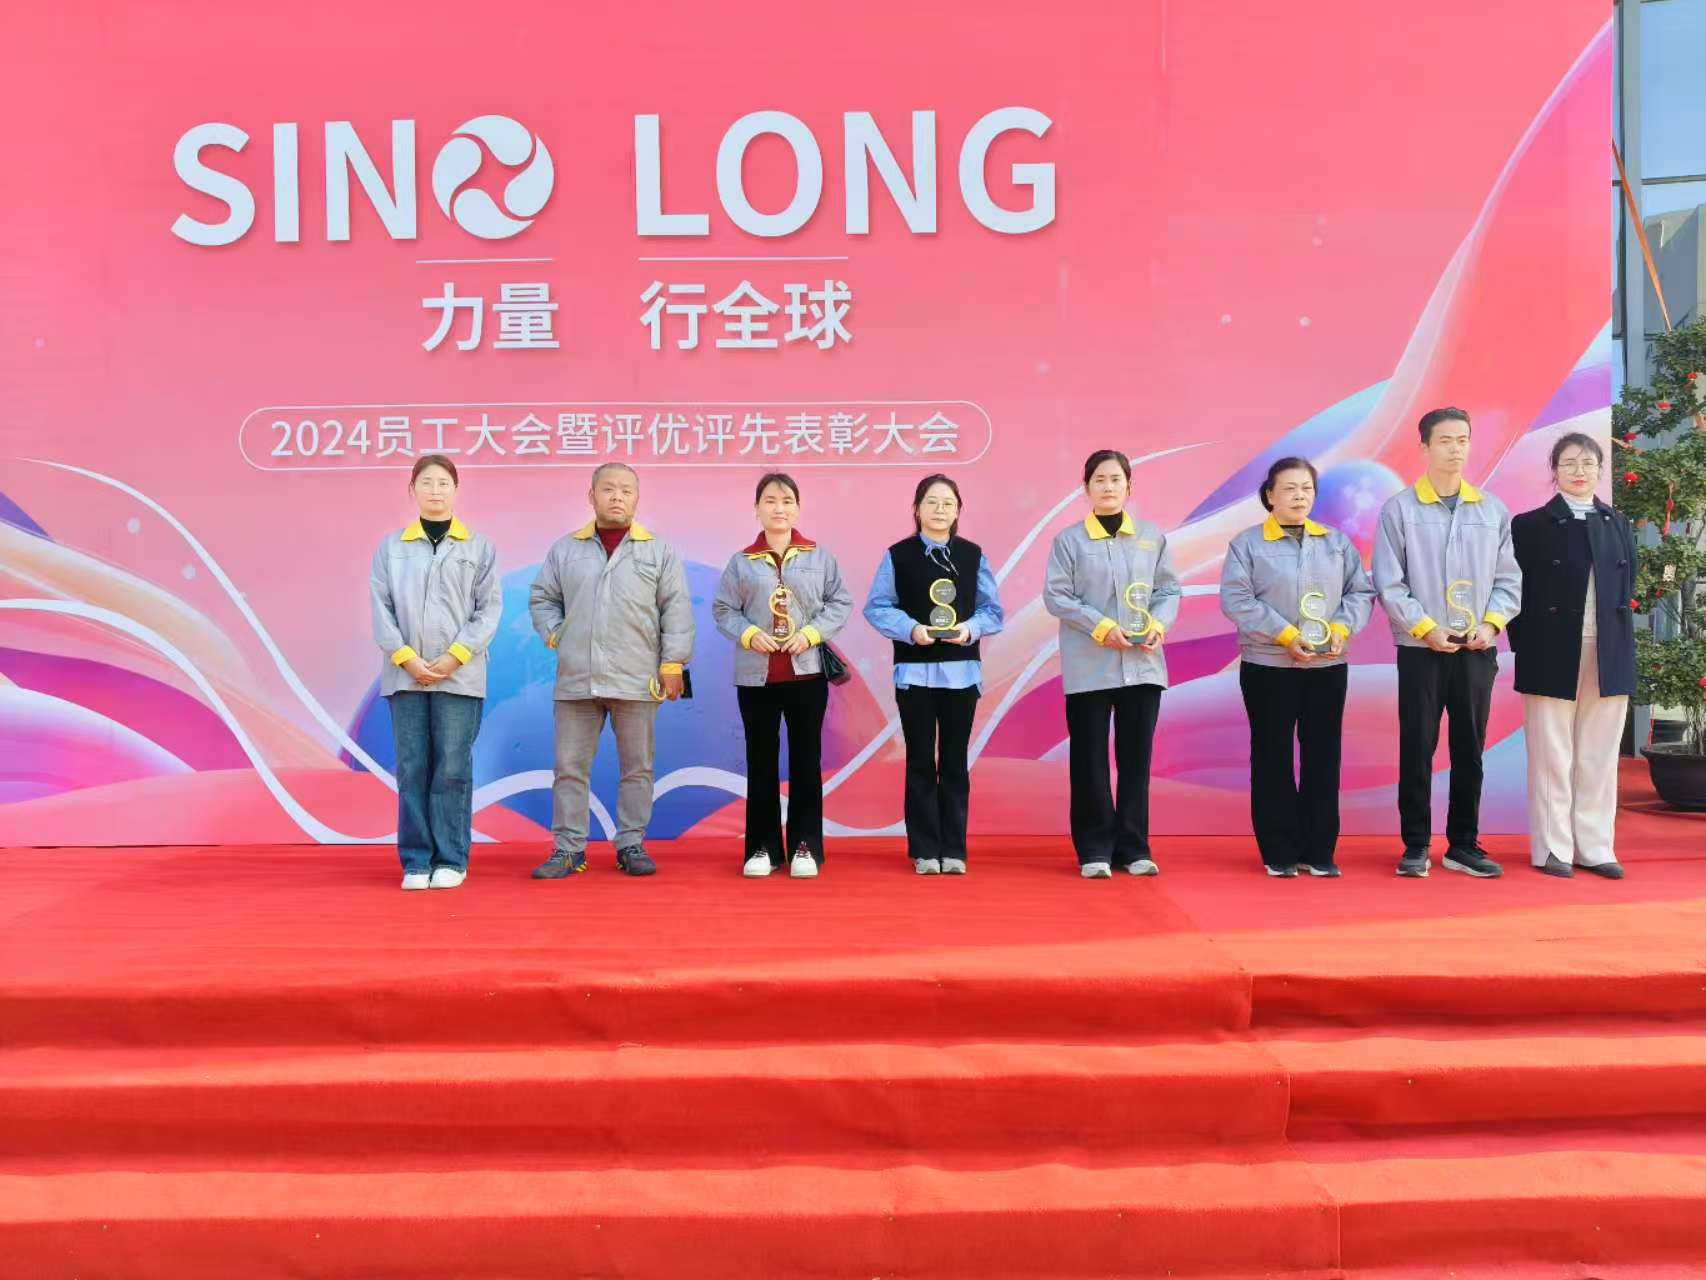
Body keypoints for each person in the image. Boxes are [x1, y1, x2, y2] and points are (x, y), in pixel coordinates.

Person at [1372, 407, 1522, 878]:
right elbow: (1389, 581)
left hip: (1477, 650)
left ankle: (1463, 845)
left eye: (1462, 440)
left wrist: (1491, 625)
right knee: (1418, 745)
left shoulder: (1492, 510)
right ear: (1423, 447)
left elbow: (1509, 580)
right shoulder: (1399, 509)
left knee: (1469, 748)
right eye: (1445, 440)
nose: (1455, 449)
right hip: (1422, 649)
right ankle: (1416, 844)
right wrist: (1424, 628)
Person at [528, 463, 694, 879]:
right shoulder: (566, 549)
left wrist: (673, 662)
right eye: (608, 489)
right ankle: (568, 849)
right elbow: (542, 598)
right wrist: (558, 635)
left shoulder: (658, 551)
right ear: (592, 496)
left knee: (637, 768)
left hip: (637, 679)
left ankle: (631, 844)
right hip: (577, 680)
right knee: (569, 768)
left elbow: (676, 609)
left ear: (637, 499)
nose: (617, 496)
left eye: (626, 490)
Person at [1220, 457, 1376, 877]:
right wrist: (1286, 635)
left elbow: (1361, 592)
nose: (1299, 496)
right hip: (1269, 665)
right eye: (1289, 488)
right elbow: (1237, 599)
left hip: (1327, 666)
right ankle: (1279, 851)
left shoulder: (1335, 543)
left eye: (1306, 488)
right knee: (1272, 756)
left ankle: (1319, 850)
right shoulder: (1247, 544)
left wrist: (1341, 627)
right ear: (1269, 496)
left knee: (1323, 756)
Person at [1043, 449, 1181, 878]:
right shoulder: (1069, 541)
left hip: (1143, 663)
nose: (1108, 487)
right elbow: (1057, 596)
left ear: (1129, 486)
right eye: (1099, 480)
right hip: (1090, 666)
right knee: (1090, 760)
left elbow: (1168, 590)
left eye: (1116, 479)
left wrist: (1158, 624)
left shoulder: (1151, 537)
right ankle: (1094, 849)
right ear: (1085, 488)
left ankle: (1134, 847)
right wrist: (1101, 627)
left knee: (1136, 760)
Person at [369, 454, 502, 891]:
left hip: (459, 676)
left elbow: (488, 611)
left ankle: (451, 858)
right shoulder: (391, 548)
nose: (435, 490)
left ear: (455, 490)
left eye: (443, 483)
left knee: (451, 768)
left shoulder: (479, 547)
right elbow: (381, 609)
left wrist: (455, 656)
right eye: (426, 482)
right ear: (413, 490)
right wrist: (406, 658)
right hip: (405, 675)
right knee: (412, 768)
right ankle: (415, 861)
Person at [712, 472, 854, 879]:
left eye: (787, 500)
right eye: (770, 501)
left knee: (806, 761)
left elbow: (840, 602)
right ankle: (762, 847)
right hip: (756, 679)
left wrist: (810, 634)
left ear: (798, 508)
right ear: (756, 509)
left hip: (807, 676)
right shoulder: (741, 562)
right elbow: (723, 609)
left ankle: (805, 846)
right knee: (760, 761)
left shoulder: (819, 557)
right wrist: (748, 634)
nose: (779, 508)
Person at [1508, 433, 1637, 879]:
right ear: (1554, 471)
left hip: (1609, 648)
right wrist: (1527, 644)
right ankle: (1552, 847)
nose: (1579, 471)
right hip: (1549, 649)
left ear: (1601, 469)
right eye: (1569, 463)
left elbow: (1628, 584)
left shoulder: (1617, 523)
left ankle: (1595, 846)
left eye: (1587, 463)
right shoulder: (1530, 525)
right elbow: (1514, 590)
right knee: (1552, 752)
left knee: (1599, 753)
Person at [862, 474, 1004, 874]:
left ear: (958, 511)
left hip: (962, 674)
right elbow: (877, 607)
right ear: (916, 509)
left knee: (955, 763)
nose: (940, 510)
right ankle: (925, 850)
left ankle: (954, 849)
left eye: (948, 503)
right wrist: (911, 629)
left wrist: (969, 630)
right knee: (921, 762)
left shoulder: (973, 555)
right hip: (914, 674)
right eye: (932, 502)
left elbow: (992, 612)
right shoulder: (898, 555)